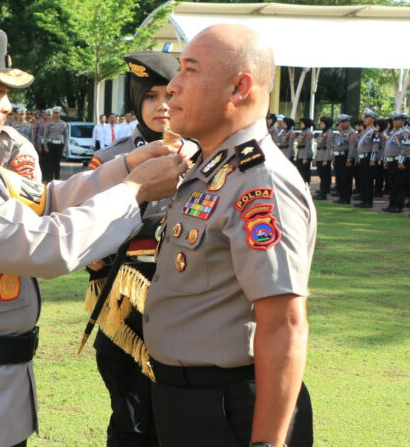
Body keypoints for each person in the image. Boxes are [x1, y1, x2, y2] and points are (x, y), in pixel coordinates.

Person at [0, 20, 187, 447]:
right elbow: (47, 247)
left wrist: (127, 167)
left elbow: (47, 201)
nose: (7, 107)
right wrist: (135, 192)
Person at [146, 24, 315, 447]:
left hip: (229, 409)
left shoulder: (260, 183)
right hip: (183, 401)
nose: (173, 87)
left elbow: (285, 324)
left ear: (240, 88)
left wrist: (267, 444)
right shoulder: (212, 171)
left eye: (190, 71)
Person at [83, 51, 194, 447]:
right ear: (135, 101)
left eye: (169, 94)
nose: (162, 106)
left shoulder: (207, 160)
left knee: (177, 424)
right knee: (129, 423)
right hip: (124, 308)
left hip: (186, 308)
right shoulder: (110, 162)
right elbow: (84, 229)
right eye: (150, 97)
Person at [382, 112, 410, 213]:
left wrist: (401, 162)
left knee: (399, 185)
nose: (395, 122)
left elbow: (405, 148)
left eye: (397, 120)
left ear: (403, 121)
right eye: (394, 120)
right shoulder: (393, 132)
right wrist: (385, 160)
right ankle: (392, 204)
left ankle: (398, 205)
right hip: (391, 162)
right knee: (392, 184)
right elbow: (387, 147)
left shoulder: (405, 132)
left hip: (398, 162)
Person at [354, 108, 381, 208]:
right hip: (362, 158)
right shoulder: (364, 131)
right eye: (364, 117)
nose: (364, 119)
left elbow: (375, 146)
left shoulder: (375, 131)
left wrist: (372, 159)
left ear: (373, 119)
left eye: (367, 117)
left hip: (368, 158)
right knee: (363, 180)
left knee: (368, 180)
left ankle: (368, 201)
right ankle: (364, 199)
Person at [332, 114, 357, 204]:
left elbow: (352, 147)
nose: (341, 124)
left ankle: (346, 198)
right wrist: (334, 157)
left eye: (343, 122)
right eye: (341, 122)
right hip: (338, 157)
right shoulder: (341, 132)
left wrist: (349, 159)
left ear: (348, 122)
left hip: (345, 157)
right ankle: (341, 196)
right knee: (339, 178)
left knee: (345, 179)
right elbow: (336, 146)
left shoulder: (351, 133)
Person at [42, 106, 68, 181]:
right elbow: (45, 135)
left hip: (59, 145)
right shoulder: (48, 123)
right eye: (55, 113)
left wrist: (65, 146)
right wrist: (45, 146)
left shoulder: (63, 124)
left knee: (57, 163)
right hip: (50, 144)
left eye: (57, 113)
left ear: (60, 114)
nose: (56, 114)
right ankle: (50, 179)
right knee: (50, 163)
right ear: (53, 114)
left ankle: (57, 178)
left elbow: (66, 136)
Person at [313, 116, 335, 200]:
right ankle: (323, 190)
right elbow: (318, 146)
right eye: (320, 123)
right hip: (319, 155)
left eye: (323, 124)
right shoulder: (322, 133)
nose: (321, 125)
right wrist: (316, 158)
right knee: (321, 175)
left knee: (325, 176)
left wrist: (326, 159)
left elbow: (329, 147)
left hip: (324, 156)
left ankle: (323, 192)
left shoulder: (329, 133)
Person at [295, 117, 314, 184]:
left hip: (305, 154)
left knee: (305, 172)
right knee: (300, 171)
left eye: (302, 123)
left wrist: (305, 157)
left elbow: (308, 145)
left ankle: (306, 184)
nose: (301, 124)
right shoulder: (303, 131)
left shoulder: (308, 132)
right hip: (300, 153)